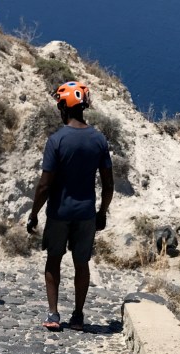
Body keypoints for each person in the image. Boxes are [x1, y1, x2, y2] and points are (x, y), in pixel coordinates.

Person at [27, 81, 114, 331]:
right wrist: (102, 212)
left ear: (63, 107)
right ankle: (77, 316)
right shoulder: (99, 140)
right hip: (86, 214)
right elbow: (108, 184)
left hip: (59, 212)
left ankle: (53, 314)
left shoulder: (56, 140)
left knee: (54, 260)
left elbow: (44, 185)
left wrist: (34, 213)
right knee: (81, 263)